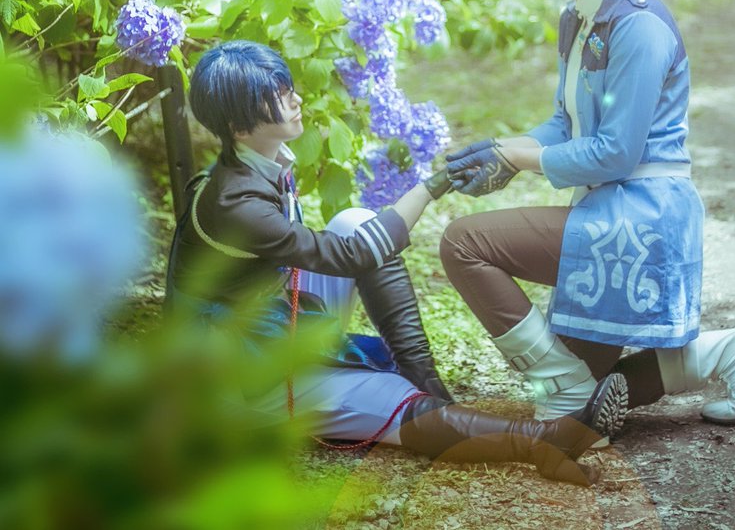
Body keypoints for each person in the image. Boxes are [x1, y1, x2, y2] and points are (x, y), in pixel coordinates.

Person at [441, 0, 735, 428]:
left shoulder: (638, 26)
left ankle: (569, 383)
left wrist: (518, 157)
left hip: (641, 218)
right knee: (585, 397)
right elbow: (566, 124)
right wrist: (502, 150)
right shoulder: (581, 17)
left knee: (464, 244)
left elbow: (616, 152)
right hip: (611, 212)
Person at [165, 40, 626, 485]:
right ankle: (544, 441)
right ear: (240, 127)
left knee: (356, 222)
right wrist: (433, 185)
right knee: (397, 401)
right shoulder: (235, 202)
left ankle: (424, 378)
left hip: (263, 324)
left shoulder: (254, 166)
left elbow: (342, 247)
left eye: (288, 89)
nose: (296, 99)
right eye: (280, 96)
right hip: (239, 379)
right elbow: (353, 256)